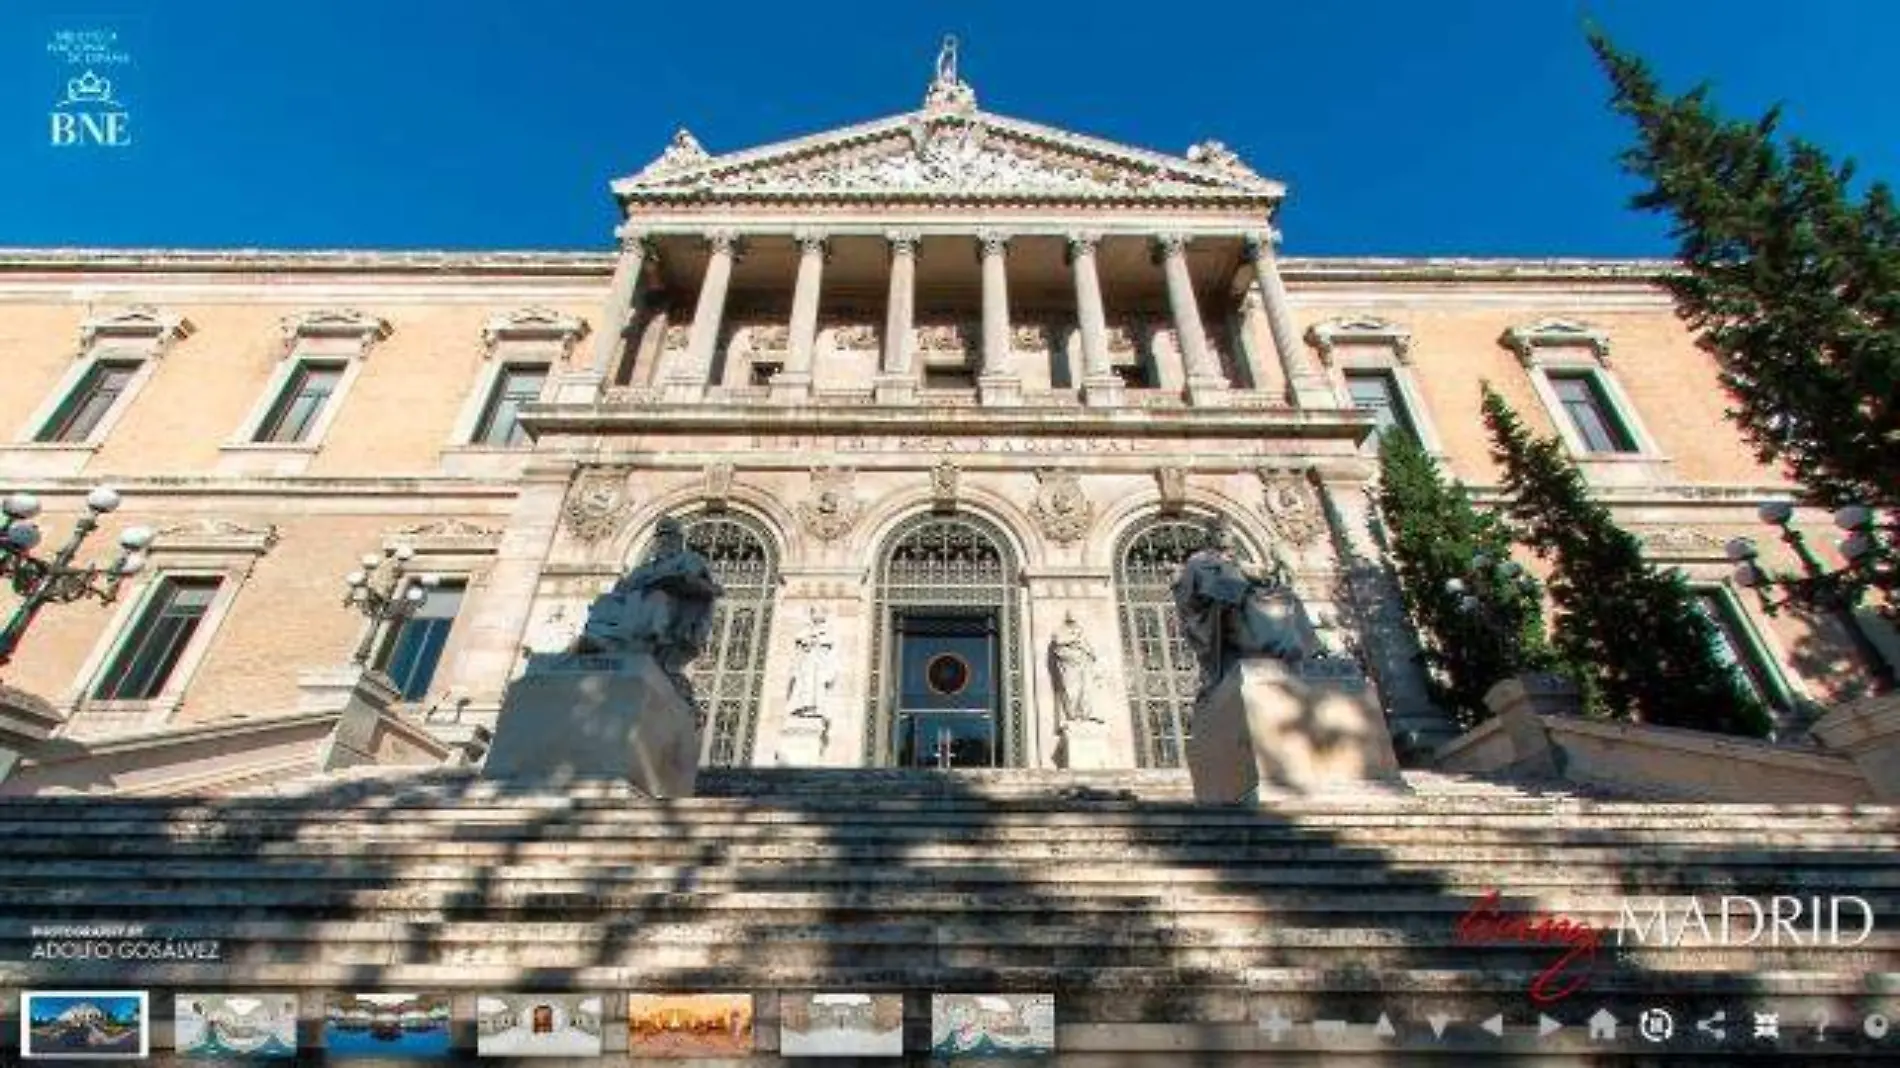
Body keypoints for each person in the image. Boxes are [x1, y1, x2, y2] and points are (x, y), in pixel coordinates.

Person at [1170, 517, 1316, 700]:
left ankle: (1302, 651)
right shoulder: (1199, 561)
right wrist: (1235, 589)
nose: (1226, 538)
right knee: (1249, 603)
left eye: (1229, 534)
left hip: (1242, 596)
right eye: (1221, 534)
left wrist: (1274, 574)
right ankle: (1271, 647)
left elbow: (1258, 575)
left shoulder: (1235, 560)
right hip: (1216, 610)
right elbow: (1200, 589)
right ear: (1211, 537)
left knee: (1288, 599)